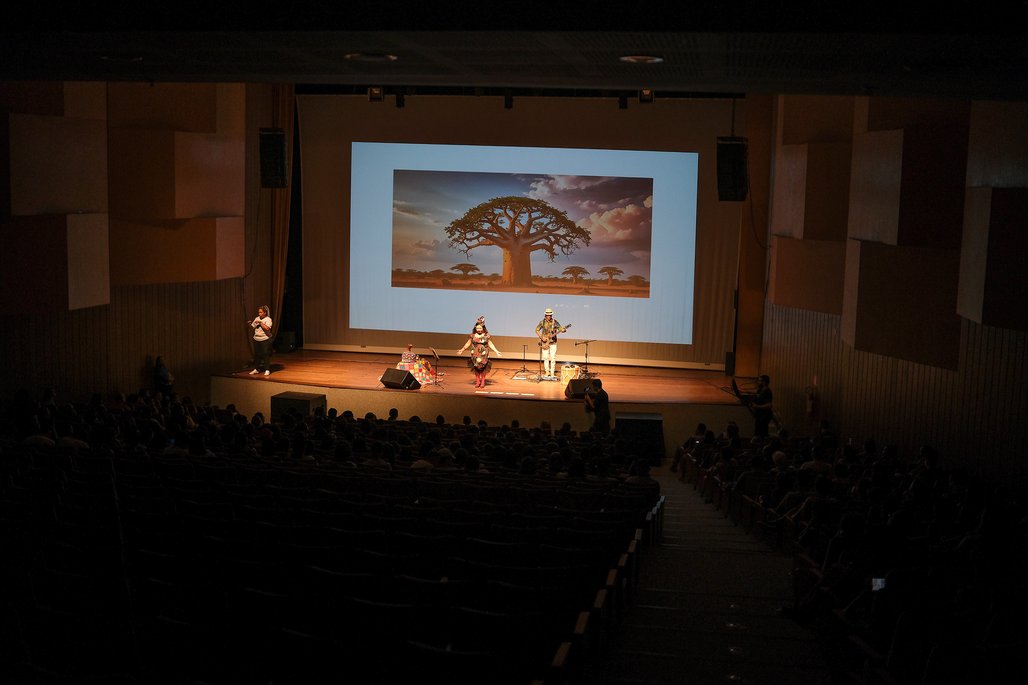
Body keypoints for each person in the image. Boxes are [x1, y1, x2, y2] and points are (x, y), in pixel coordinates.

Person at [457, 316, 502, 388]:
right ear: (475, 328)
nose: (479, 330)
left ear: (483, 328)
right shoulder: (473, 335)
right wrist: (462, 349)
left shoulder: (486, 336)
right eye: (477, 328)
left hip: (483, 354)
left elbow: (490, 343)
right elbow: (468, 343)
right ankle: (478, 381)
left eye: (480, 328)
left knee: (483, 367)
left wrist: (496, 351)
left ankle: (483, 381)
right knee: (476, 367)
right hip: (475, 353)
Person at [534, 307, 569, 380]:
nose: (549, 316)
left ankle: (552, 372)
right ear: (545, 315)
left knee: (553, 358)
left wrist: (563, 330)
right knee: (545, 357)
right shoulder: (542, 322)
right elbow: (536, 330)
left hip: (553, 342)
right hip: (544, 342)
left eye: (550, 315)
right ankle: (547, 372)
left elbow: (560, 329)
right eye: (547, 314)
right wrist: (541, 337)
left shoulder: (555, 322)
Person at [249, 305, 274, 376]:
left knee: (265, 354)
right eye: (259, 312)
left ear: (265, 313)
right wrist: (250, 324)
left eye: (260, 312)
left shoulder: (268, 319)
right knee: (256, 354)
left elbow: (267, 328)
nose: (259, 314)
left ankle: (267, 369)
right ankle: (256, 369)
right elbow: (253, 327)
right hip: (256, 339)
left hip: (265, 339)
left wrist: (260, 322)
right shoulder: (257, 318)